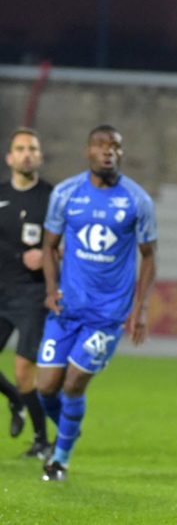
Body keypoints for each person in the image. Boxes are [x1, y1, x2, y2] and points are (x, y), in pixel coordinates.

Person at [36, 125, 158, 482]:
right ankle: (70, 429)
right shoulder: (65, 193)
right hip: (67, 308)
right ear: (87, 150)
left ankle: (60, 459)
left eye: (115, 147)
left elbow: (149, 256)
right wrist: (50, 288)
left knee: (73, 383)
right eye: (101, 145)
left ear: (122, 153)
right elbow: (48, 245)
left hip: (106, 314)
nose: (108, 152)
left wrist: (141, 308)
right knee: (46, 387)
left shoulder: (137, 200)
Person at [0, 127, 53, 458]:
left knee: (24, 372)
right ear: (10, 157)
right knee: (19, 382)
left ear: (40, 157)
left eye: (32, 148)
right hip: (0, 291)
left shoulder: (51, 197)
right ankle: (16, 400)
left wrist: (48, 256)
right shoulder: (0, 196)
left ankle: (41, 441)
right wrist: (21, 256)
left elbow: (64, 242)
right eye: (20, 149)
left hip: (32, 296)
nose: (26, 154)